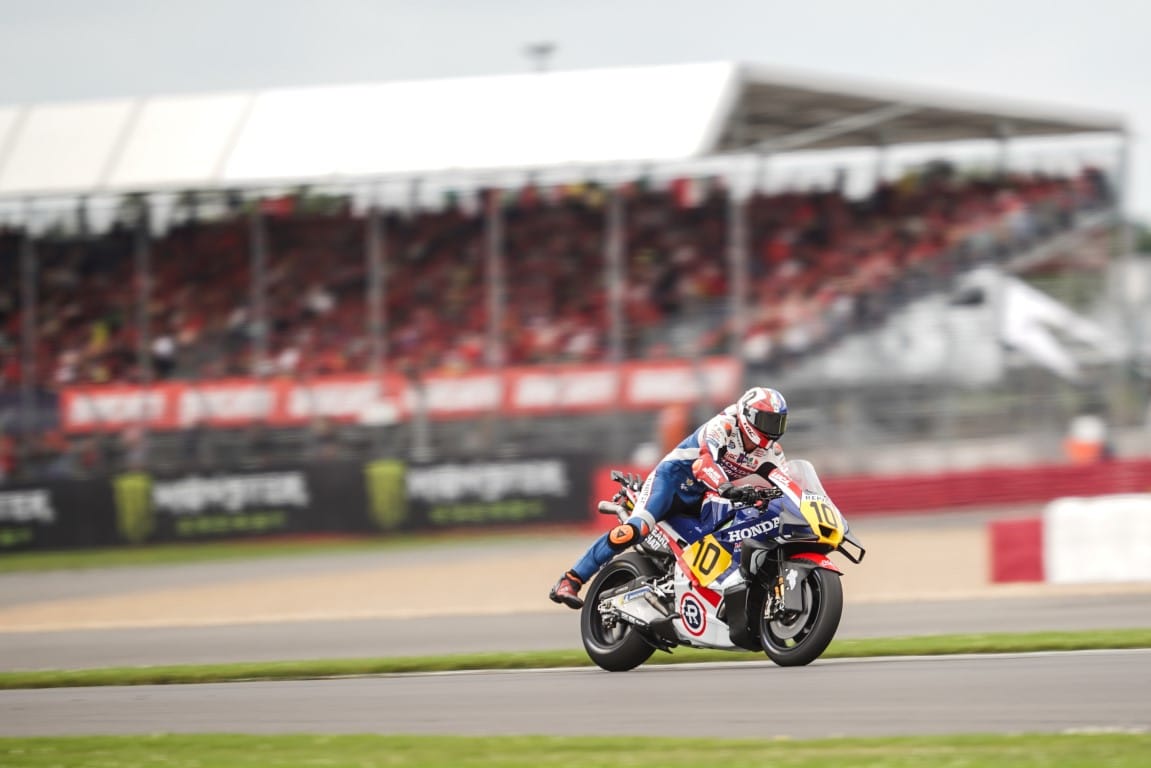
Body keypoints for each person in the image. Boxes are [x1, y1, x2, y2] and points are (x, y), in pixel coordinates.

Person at [549, 386, 790, 609]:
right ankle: (571, 579)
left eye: (778, 422)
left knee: (735, 526)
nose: (772, 428)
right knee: (635, 530)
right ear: (748, 416)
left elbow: (787, 482)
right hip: (670, 483)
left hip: (705, 494)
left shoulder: (771, 452)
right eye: (768, 420)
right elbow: (702, 464)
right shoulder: (723, 426)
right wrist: (727, 488)